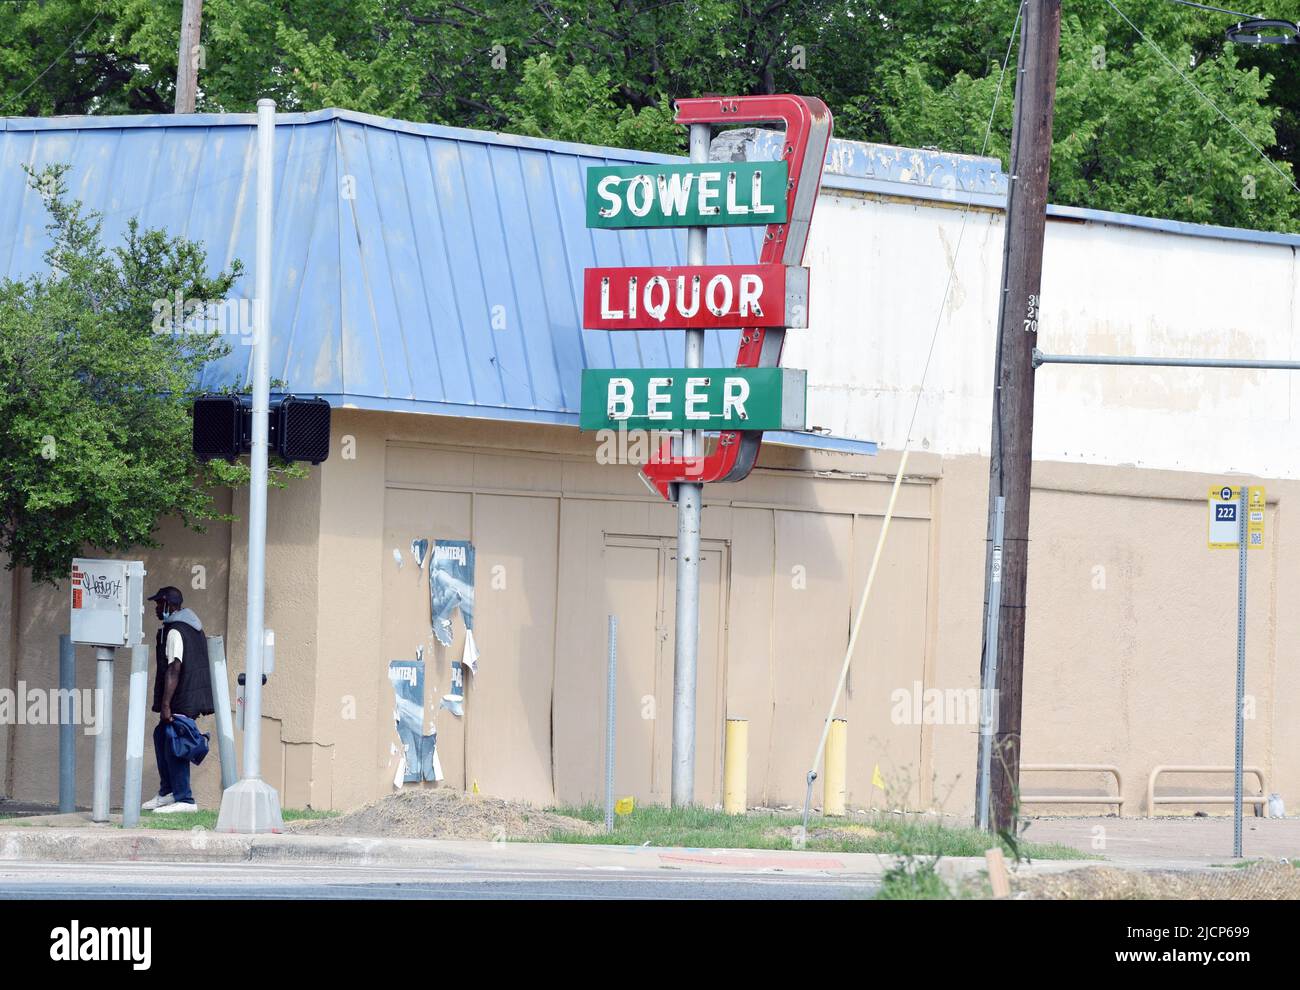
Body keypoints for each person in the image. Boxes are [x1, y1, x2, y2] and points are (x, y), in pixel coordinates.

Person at [140, 586, 214, 814]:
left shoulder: (176, 630)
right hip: (187, 694)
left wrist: (165, 705)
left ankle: (185, 799)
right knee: (161, 735)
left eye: (158, 605)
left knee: (175, 741)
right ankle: (167, 792)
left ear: (168, 604)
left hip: (181, 697)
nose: (155, 609)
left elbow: (174, 668)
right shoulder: (191, 628)